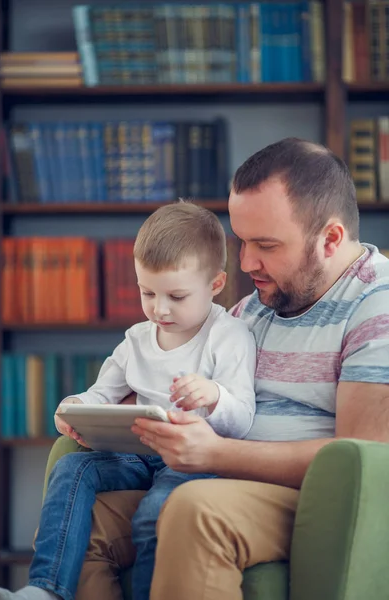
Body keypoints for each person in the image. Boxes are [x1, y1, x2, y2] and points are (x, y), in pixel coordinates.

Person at [65, 137, 388, 600]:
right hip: (211, 477)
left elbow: (363, 461)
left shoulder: (377, 305)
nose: (245, 262)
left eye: (266, 245)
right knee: (87, 521)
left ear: (330, 239)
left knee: (194, 509)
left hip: (312, 498)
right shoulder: (252, 309)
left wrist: (215, 454)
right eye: (240, 241)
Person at [0, 202, 256, 600]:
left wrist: (216, 396)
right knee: (72, 468)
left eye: (176, 296)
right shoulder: (136, 339)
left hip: (192, 461)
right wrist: (77, 405)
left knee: (154, 513)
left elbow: (243, 421)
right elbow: (102, 393)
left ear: (216, 284)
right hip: (138, 453)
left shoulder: (229, 335)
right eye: (148, 292)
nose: (159, 309)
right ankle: (46, 588)